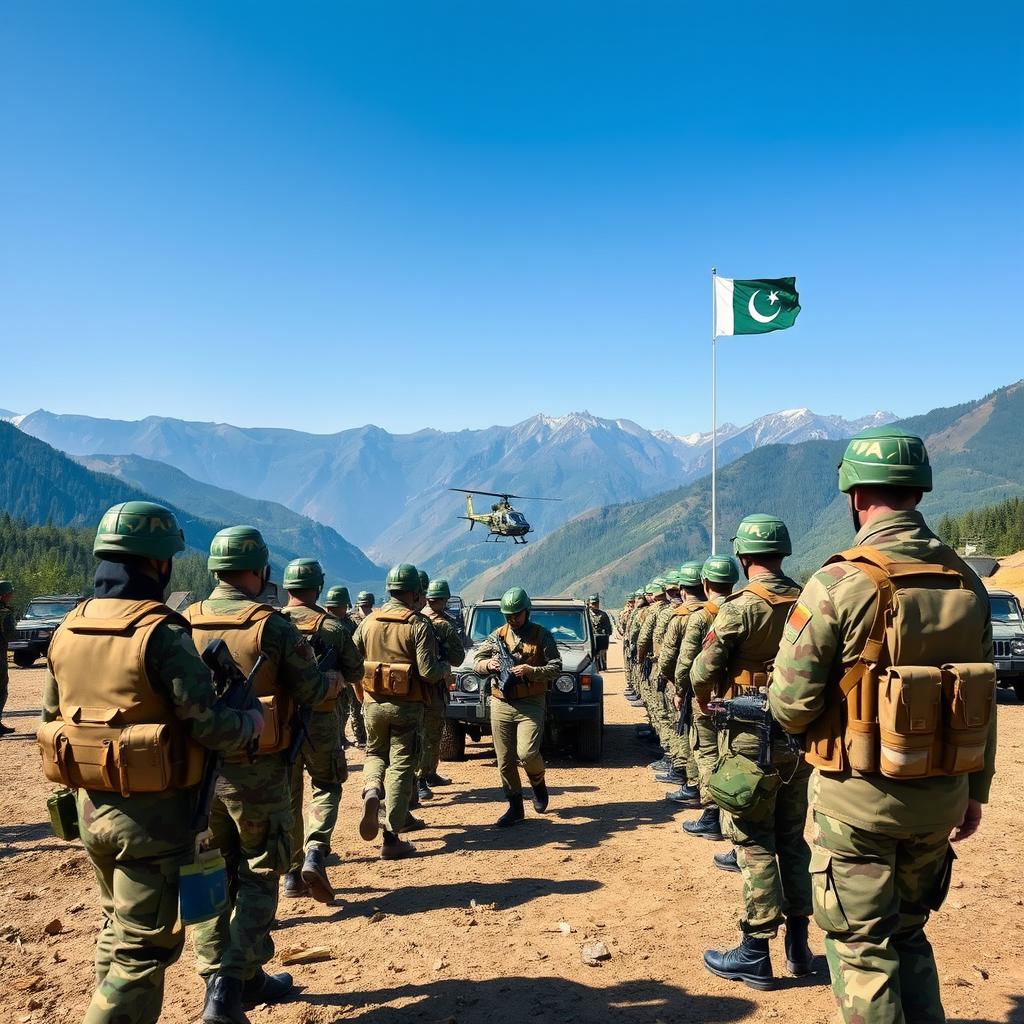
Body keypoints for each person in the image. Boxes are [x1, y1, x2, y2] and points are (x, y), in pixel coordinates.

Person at [770, 427, 996, 1024]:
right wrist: (975, 793)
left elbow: (790, 705)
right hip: (942, 798)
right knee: (911, 934)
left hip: (859, 807)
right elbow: (980, 698)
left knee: (863, 949)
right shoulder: (968, 584)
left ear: (854, 495)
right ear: (919, 490)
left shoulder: (840, 583)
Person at [38, 502, 263, 1024]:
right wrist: (250, 723)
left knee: (116, 928)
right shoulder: (160, 633)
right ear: (159, 564)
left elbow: (54, 717)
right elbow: (209, 726)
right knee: (145, 951)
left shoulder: (68, 628)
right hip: (154, 821)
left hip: (91, 811)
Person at [185, 526, 329, 1023]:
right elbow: (311, 691)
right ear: (260, 570)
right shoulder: (272, 627)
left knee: (208, 877)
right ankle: (227, 989)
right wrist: (331, 676)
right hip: (258, 773)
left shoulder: (182, 620)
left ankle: (235, 978)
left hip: (198, 774)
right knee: (259, 875)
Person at [691, 515, 812, 990]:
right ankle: (799, 947)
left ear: (743, 559)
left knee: (752, 839)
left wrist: (705, 701)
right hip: (798, 740)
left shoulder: (738, 610)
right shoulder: (809, 601)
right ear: (782, 553)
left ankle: (756, 951)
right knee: (793, 840)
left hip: (747, 739)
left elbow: (703, 670)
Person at [279, 559, 363, 903]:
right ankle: (316, 849)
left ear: (287, 589)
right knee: (327, 785)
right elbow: (356, 672)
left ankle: (291, 874)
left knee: (289, 796)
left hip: (280, 724)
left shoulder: (272, 623)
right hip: (322, 722)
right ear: (318, 588)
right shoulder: (332, 628)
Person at [353, 564, 449, 859]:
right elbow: (429, 671)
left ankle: (371, 789)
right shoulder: (417, 624)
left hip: (373, 704)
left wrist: (362, 698)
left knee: (375, 753)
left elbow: (353, 665)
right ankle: (391, 835)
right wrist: (446, 668)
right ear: (414, 593)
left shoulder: (368, 622)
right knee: (400, 765)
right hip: (406, 707)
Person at [473, 587, 562, 827]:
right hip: (501, 702)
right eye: (508, 615)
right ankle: (515, 806)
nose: (513, 619)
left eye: (517, 615)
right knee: (504, 759)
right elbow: (476, 662)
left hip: (531, 702)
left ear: (527, 612)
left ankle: (538, 784)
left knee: (527, 753)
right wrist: (487, 665)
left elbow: (556, 666)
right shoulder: (497, 636)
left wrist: (532, 671)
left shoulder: (541, 635)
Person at [680, 555, 739, 842]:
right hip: (750, 701)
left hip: (711, 697)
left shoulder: (702, 616)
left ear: (706, 584)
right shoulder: (751, 607)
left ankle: (713, 816)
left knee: (707, 754)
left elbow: (688, 661)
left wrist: (684, 690)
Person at [655, 562, 706, 805]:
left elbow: (671, 657)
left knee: (694, 738)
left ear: (684, 590)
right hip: (723, 688)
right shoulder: (723, 610)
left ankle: (692, 783)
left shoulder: (681, 617)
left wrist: (675, 684)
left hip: (690, 686)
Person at [418, 578, 465, 800]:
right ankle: (421, 779)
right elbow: (458, 657)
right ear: (445, 599)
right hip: (433, 685)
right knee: (430, 733)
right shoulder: (442, 624)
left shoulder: (415, 618)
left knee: (429, 733)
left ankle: (430, 773)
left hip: (413, 686)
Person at [324, 585, 360, 746]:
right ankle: (337, 738)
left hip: (346, 673)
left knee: (344, 708)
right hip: (331, 675)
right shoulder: (324, 624)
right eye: (344, 606)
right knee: (334, 710)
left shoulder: (349, 623)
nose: (345, 609)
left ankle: (341, 736)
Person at [348, 591, 376, 747]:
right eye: (363, 606)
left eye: (367, 606)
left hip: (371, 667)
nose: (365, 609)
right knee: (355, 703)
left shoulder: (373, 619)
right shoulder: (352, 621)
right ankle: (360, 737)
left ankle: (369, 735)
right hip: (356, 666)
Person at [0, 579, 15, 734]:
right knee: (1, 688)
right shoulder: (5, 613)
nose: (11, 596)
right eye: (9, 593)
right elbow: (10, 634)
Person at [586, 595, 612, 670]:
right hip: (590, 638)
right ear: (589, 604)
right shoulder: (586, 614)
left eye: (596, 603)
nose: (595, 605)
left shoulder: (603, 615)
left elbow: (608, 628)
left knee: (602, 654)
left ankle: (603, 666)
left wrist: (606, 635)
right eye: (593, 603)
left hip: (601, 637)